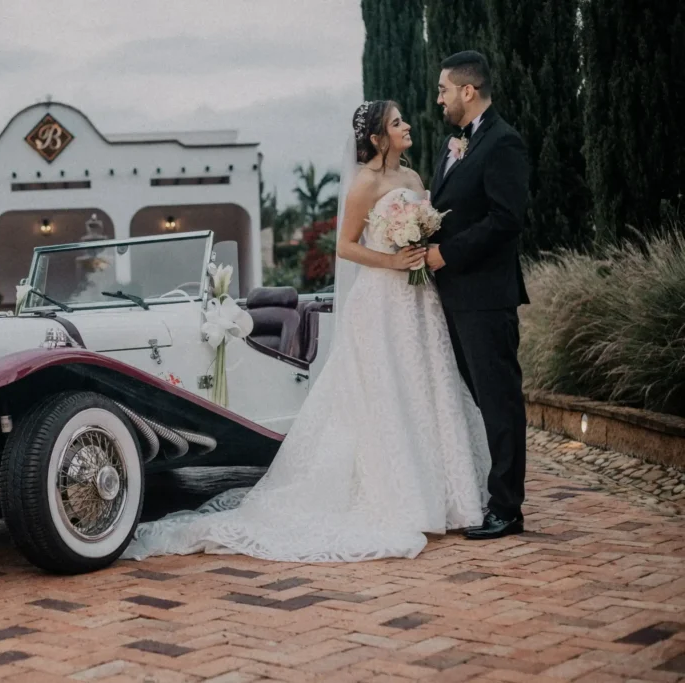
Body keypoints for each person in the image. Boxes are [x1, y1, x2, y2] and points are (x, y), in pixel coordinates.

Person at [121, 100, 491, 564]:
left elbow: (425, 229)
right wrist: (395, 260)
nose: (408, 125)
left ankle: (449, 497)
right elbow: (346, 247)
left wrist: (421, 244)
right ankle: (399, 497)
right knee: (385, 392)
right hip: (380, 301)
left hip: (418, 300)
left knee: (427, 384)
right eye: (398, 122)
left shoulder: (415, 180)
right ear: (378, 138)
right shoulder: (364, 185)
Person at [426, 51, 531, 540]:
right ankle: (486, 494)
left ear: (468, 91)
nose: (439, 97)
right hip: (455, 297)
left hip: (486, 297)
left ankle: (507, 508)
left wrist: (447, 254)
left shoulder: (503, 142)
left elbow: (506, 219)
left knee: (499, 401)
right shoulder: (458, 144)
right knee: (477, 400)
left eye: (444, 89)